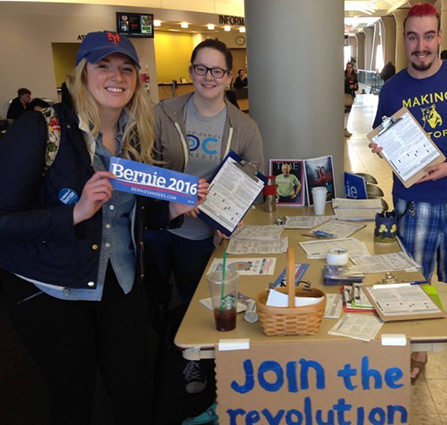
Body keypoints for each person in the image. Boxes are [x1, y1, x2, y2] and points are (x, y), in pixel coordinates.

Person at [0, 31, 209, 425]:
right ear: (82, 74)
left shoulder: (137, 135)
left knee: (136, 388)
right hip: (53, 286)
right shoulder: (41, 128)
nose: (117, 76)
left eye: (126, 68)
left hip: (120, 278)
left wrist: (176, 208)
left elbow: (136, 217)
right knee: (74, 395)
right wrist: (74, 213)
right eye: (104, 66)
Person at [369, 3, 447, 385]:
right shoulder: (393, 89)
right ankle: (418, 350)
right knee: (415, 280)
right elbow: (383, 135)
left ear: (439, 37)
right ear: (405, 40)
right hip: (414, 203)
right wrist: (383, 147)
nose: (420, 45)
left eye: (428, 36)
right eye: (412, 37)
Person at [148, 37, 264, 393]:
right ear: (191, 72)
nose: (208, 77)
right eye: (201, 69)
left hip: (203, 234)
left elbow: (249, 182)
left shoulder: (244, 127)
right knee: (148, 298)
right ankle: (147, 361)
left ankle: (192, 362)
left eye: (217, 70)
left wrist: (230, 218)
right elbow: (143, 166)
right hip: (157, 225)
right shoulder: (163, 114)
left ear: (229, 77)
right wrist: (176, 195)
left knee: (193, 300)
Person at [344, 61, 358, 137]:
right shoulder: (344, 76)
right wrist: (349, 87)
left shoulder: (354, 76)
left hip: (351, 97)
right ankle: (344, 128)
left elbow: (356, 86)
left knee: (347, 113)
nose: (349, 69)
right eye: (348, 67)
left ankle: (345, 128)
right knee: (344, 113)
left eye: (350, 67)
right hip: (345, 96)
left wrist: (355, 87)